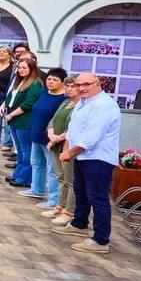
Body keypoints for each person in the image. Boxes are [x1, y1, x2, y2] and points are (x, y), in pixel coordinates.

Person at [54, 73, 122, 253]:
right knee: (81, 192)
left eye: (87, 84)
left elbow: (91, 137)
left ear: (98, 84)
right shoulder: (84, 102)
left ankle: (101, 240)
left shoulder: (103, 105)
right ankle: (79, 223)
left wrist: (70, 153)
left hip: (98, 158)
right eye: (78, 85)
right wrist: (68, 148)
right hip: (83, 157)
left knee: (97, 198)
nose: (82, 88)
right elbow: (74, 128)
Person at [20, 67, 67, 201]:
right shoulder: (44, 92)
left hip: (50, 140)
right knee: (36, 163)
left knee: (52, 170)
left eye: (55, 80)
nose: (50, 82)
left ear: (62, 83)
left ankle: (53, 200)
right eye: (49, 79)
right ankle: (37, 189)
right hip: (36, 135)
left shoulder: (63, 99)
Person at [2, 58, 43, 187]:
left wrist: (11, 115)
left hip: (24, 121)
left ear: (32, 69)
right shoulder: (20, 81)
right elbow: (11, 97)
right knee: (19, 150)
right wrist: (4, 107)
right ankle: (18, 174)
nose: (21, 70)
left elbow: (28, 104)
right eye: (19, 67)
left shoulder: (36, 84)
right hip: (15, 120)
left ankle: (24, 178)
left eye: (24, 67)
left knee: (26, 151)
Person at [44, 75, 79, 224]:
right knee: (60, 177)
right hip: (56, 145)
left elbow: (73, 127)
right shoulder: (65, 102)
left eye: (73, 86)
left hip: (68, 146)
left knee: (70, 181)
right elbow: (53, 120)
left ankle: (69, 211)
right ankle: (59, 206)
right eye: (68, 86)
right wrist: (51, 133)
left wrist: (58, 138)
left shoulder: (80, 105)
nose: (70, 89)